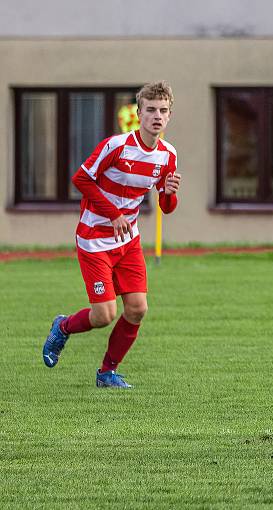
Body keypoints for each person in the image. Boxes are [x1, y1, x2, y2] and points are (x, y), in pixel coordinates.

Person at [41, 81, 181, 388]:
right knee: (103, 315)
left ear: (169, 116)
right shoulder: (116, 146)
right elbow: (81, 179)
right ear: (139, 112)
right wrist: (114, 214)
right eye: (151, 110)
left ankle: (107, 373)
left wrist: (169, 193)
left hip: (128, 241)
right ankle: (62, 327)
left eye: (163, 111)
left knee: (138, 308)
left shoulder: (168, 155)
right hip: (94, 238)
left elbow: (166, 206)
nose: (157, 116)